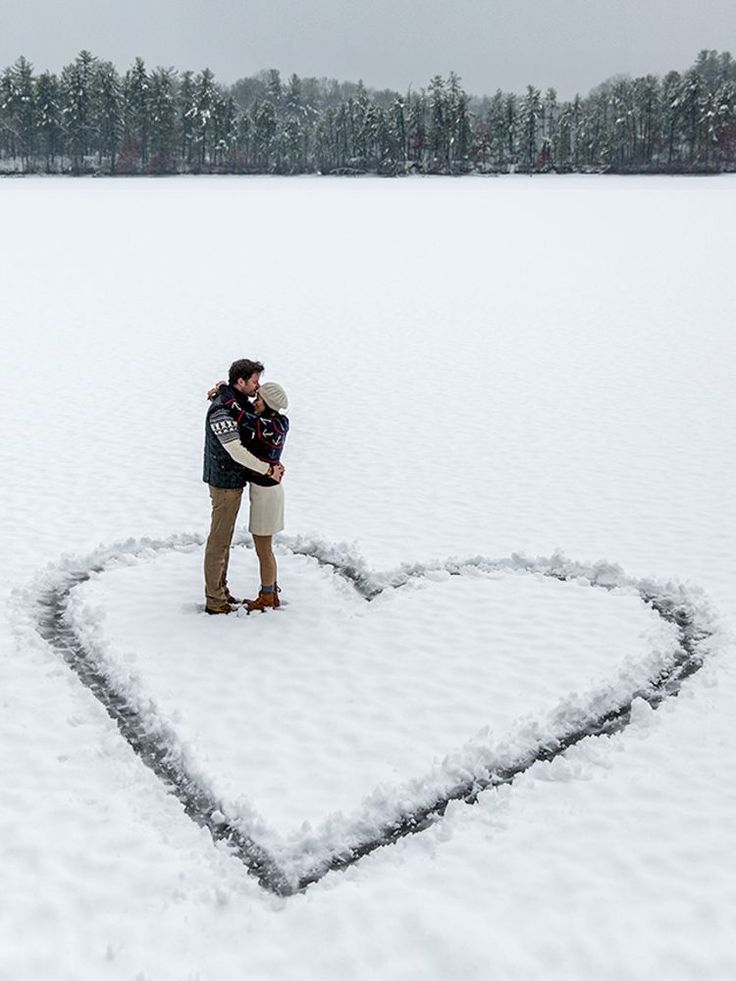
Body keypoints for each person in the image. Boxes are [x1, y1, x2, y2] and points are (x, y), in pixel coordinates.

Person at [203, 359, 284, 615]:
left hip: (233, 480)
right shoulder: (221, 411)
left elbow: (253, 416)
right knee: (219, 541)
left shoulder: (235, 401)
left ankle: (221, 592)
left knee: (224, 540)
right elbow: (236, 451)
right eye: (254, 382)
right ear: (240, 382)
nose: (257, 387)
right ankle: (215, 600)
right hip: (224, 482)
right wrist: (268, 469)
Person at [220, 381, 290, 612]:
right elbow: (247, 412)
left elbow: (237, 411)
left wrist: (223, 388)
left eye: (258, 398)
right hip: (269, 490)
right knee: (265, 548)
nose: (254, 401)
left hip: (265, 494)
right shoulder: (279, 422)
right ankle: (271, 591)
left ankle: (267, 596)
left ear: (268, 404)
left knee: (263, 549)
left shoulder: (265, 425)